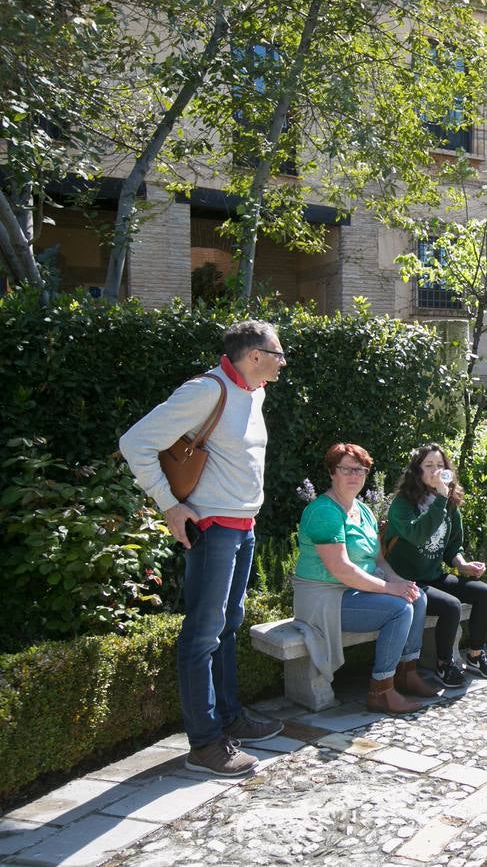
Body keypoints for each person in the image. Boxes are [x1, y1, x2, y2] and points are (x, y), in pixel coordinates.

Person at [119, 320, 286, 777]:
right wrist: (170, 505)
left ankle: (229, 717)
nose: (283, 362)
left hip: (243, 526)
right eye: (278, 354)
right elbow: (135, 443)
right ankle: (205, 744)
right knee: (202, 634)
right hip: (213, 529)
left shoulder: (254, 394)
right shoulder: (206, 391)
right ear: (254, 356)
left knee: (228, 625)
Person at [292, 443, 442, 715]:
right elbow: (342, 569)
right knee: (399, 609)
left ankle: (407, 673)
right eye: (346, 469)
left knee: (417, 597)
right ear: (332, 472)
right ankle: (381, 690)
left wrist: (401, 584)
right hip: (325, 597)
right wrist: (389, 588)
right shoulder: (324, 511)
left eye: (360, 470)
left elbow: (379, 560)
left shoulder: (362, 510)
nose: (354, 476)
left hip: (355, 590)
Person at [384, 443, 487, 685]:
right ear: (417, 471)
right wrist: (440, 498)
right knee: (451, 605)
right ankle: (444, 664)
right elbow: (417, 535)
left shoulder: (448, 504)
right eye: (429, 465)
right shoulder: (402, 504)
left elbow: (452, 547)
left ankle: (475, 655)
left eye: (440, 465)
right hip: (404, 581)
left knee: (483, 592)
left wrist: (463, 564)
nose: (435, 470)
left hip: (433, 576)